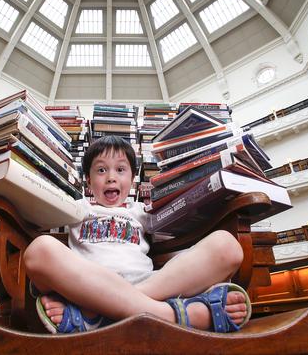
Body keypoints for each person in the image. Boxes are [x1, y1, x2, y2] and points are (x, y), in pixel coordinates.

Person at [24, 135, 250, 334]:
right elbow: (42, 215)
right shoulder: (79, 207)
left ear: (132, 180)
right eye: (101, 170)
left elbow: (180, 223)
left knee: (227, 246)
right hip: (88, 284)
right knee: (38, 250)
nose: (111, 177)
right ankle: (170, 315)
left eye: (120, 169)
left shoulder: (141, 211)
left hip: (148, 285)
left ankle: (97, 313)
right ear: (88, 181)